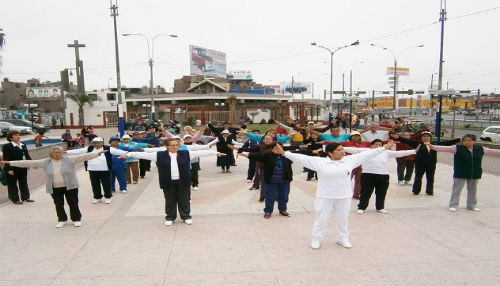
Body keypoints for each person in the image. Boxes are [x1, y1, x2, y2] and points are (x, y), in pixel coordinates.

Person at [277, 141, 393, 249]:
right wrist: (284, 153)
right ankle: (316, 238)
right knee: (321, 219)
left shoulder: (349, 160)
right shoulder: (320, 162)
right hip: (325, 196)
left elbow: (367, 154)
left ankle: (343, 238)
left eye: (342, 149)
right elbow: (301, 158)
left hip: (344, 196)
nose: (342, 151)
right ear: (330, 153)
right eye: (338, 150)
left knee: (343, 219)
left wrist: (384, 148)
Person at [119, 138, 225, 225]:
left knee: (184, 199)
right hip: (168, 181)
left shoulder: (186, 153)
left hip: (183, 181)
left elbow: (200, 152)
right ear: (167, 146)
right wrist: (128, 154)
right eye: (172, 145)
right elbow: (143, 155)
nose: (175, 147)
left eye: (176, 145)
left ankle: (186, 216)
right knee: (170, 200)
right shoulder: (159, 155)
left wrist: (214, 152)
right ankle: (170, 217)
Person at [3, 147, 105, 227]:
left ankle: (76, 219)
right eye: (56, 153)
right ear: (51, 154)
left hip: (70, 186)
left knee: (73, 203)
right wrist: (9, 163)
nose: (58, 154)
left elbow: (83, 156)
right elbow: (28, 163)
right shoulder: (46, 162)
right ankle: (62, 219)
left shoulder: (68, 159)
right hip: (55, 188)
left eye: (59, 152)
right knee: (58, 204)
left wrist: (97, 153)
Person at [429, 134, 500, 212]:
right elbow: (445, 148)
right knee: (457, 190)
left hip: (474, 173)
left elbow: (493, 151)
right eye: (465, 140)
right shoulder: (457, 148)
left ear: (474, 141)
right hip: (461, 173)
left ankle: (471, 205)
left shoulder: (480, 148)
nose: (467, 142)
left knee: (473, 190)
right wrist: (433, 147)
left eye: (469, 140)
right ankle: (453, 205)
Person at [344, 139, 416, 214]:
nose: (378, 146)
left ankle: (380, 207)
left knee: (381, 193)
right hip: (368, 175)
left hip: (383, 176)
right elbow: (353, 149)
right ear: (371, 145)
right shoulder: (366, 151)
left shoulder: (386, 152)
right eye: (376, 144)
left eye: (380, 145)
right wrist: (341, 148)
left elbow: (400, 153)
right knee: (365, 192)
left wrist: (414, 151)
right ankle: (362, 207)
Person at [391, 131, 460, 195]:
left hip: (431, 164)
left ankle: (429, 191)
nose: (425, 137)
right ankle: (416, 191)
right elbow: (407, 141)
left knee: (430, 178)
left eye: (427, 136)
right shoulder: (418, 143)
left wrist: (458, 140)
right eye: (424, 136)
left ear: (430, 137)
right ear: (421, 137)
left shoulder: (435, 144)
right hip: (420, 164)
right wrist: (399, 138)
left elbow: (446, 143)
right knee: (418, 177)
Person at [65, 137, 128, 204]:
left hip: (105, 170)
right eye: (95, 143)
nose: (96, 144)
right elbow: (79, 151)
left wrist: (127, 153)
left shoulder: (107, 148)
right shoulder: (90, 148)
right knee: (95, 184)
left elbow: (118, 151)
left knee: (106, 184)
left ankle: (108, 197)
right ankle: (97, 197)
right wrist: (67, 152)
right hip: (92, 170)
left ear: (102, 143)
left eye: (98, 143)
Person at [241, 142, 294, 219]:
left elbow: (299, 157)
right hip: (271, 180)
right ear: (272, 149)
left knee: (284, 196)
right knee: (270, 196)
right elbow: (257, 156)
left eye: (280, 148)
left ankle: (283, 210)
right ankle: (268, 211)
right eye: (276, 148)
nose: (279, 149)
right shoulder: (268, 155)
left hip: (284, 180)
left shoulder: (287, 156)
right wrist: (247, 155)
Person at [2, 131, 33, 204]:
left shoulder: (23, 145)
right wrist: (8, 169)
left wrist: (32, 164)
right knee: (12, 184)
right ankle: (15, 199)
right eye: (15, 135)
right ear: (11, 138)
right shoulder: (7, 146)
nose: (18, 136)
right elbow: (6, 158)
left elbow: (27, 156)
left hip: (23, 167)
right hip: (13, 168)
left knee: (24, 183)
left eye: (19, 135)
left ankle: (25, 197)